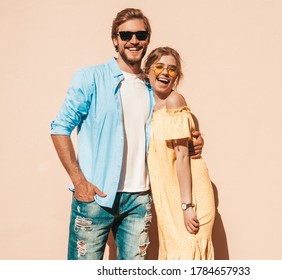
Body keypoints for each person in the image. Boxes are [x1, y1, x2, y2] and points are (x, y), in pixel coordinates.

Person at [50, 8, 203, 260]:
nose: (134, 41)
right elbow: (59, 128)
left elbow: (170, 126)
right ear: (115, 39)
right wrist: (80, 182)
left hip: (139, 199)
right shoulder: (91, 78)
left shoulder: (151, 85)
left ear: (147, 39)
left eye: (140, 34)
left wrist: (194, 140)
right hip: (95, 199)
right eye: (126, 35)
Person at [144, 47, 215, 260]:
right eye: (159, 66)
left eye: (172, 70)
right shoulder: (151, 106)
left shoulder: (174, 101)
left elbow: (182, 156)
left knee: (188, 255)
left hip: (188, 195)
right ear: (147, 70)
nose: (165, 72)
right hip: (169, 194)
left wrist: (187, 206)